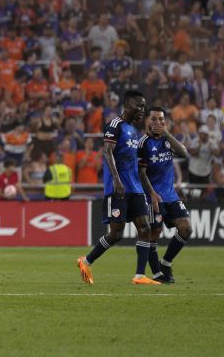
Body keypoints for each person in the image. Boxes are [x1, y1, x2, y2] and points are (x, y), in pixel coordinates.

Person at [78, 90, 162, 286]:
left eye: (144, 106)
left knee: (145, 227)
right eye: (139, 106)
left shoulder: (134, 131)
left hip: (135, 189)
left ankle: (139, 276)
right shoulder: (115, 125)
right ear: (127, 106)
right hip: (119, 189)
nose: (142, 110)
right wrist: (116, 180)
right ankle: (86, 261)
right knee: (116, 233)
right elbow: (107, 152)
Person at [139, 107, 191, 284]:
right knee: (154, 233)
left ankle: (166, 263)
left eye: (161, 120)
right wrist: (152, 194)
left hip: (171, 196)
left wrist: (167, 134)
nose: (158, 123)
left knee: (186, 228)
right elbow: (141, 172)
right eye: (154, 119)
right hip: (154, 197)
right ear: (147, 121)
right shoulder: (143, 143)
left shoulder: (167, 140)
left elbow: (184, 154)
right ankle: (156, 274)